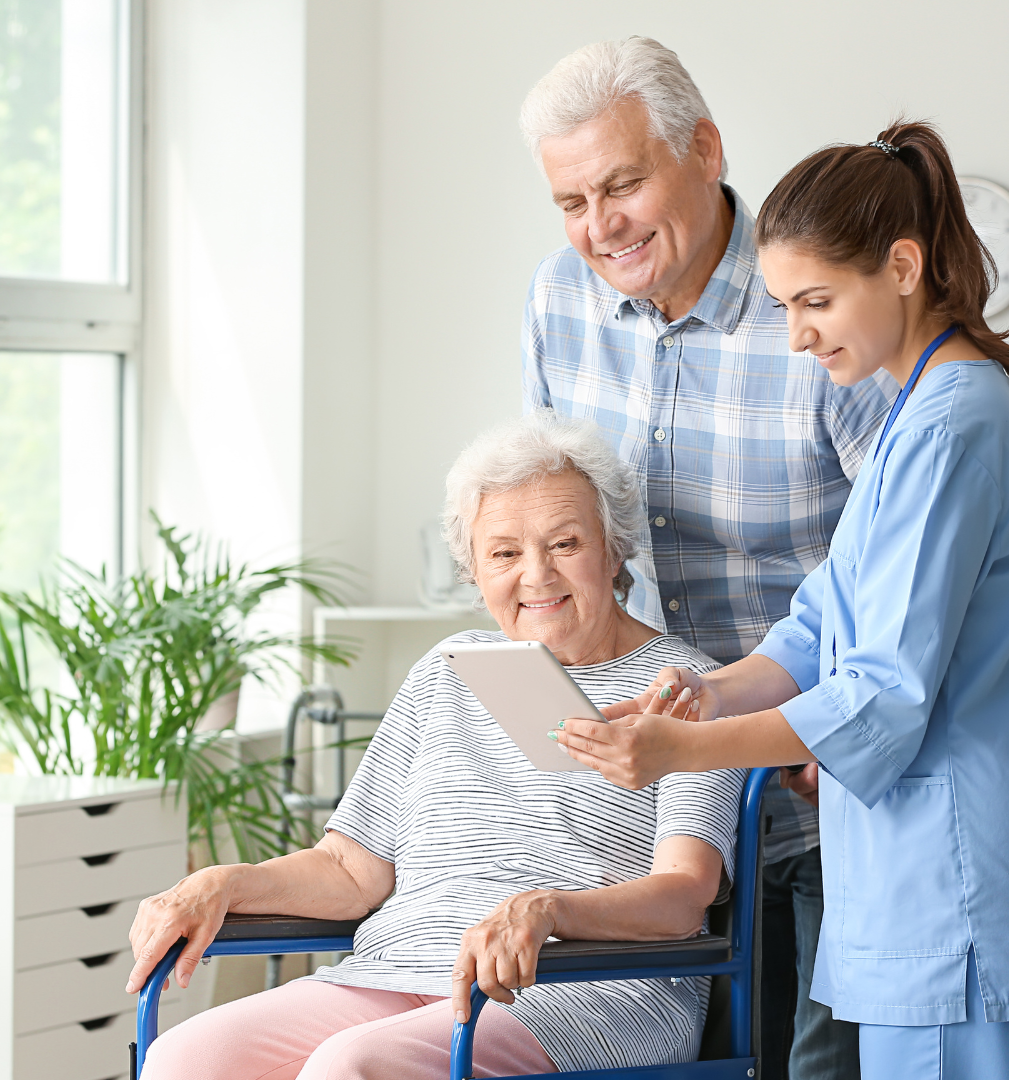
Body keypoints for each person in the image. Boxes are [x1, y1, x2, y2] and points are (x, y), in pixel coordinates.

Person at [552, 120, 1009, 1080]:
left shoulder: (950, 429)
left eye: (817, 301)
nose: (796, 334)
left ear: (904, 268)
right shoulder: (918, 417)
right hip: (940, 903)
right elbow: (820, 623)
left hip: (955, 904)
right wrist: (705, 697)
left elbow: (879, 693)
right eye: (788, 304)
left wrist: (683, 752)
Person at [128, 410, 746, 1080]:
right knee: (185, 1059)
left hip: (582, 987)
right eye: (504, 553)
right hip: (396, 970)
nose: (535, 576)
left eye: (565, 544)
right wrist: (217, 883)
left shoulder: (692, 691)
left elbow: (685, 893)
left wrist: (550, 910)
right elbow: (350, 870)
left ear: (614, 547)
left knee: (350, 1066)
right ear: (475, 570)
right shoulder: (449, 667)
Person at [520, 35, 891, 1078]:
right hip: (661, 808)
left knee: (817, 1067)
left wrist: (823, 711)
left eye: (623, 184)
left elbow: (894, 547)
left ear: (706, 149)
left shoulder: (812, 305)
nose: (601, 228)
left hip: (823, 784)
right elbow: (567, 529)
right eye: (571, 202)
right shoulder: (558, 302)